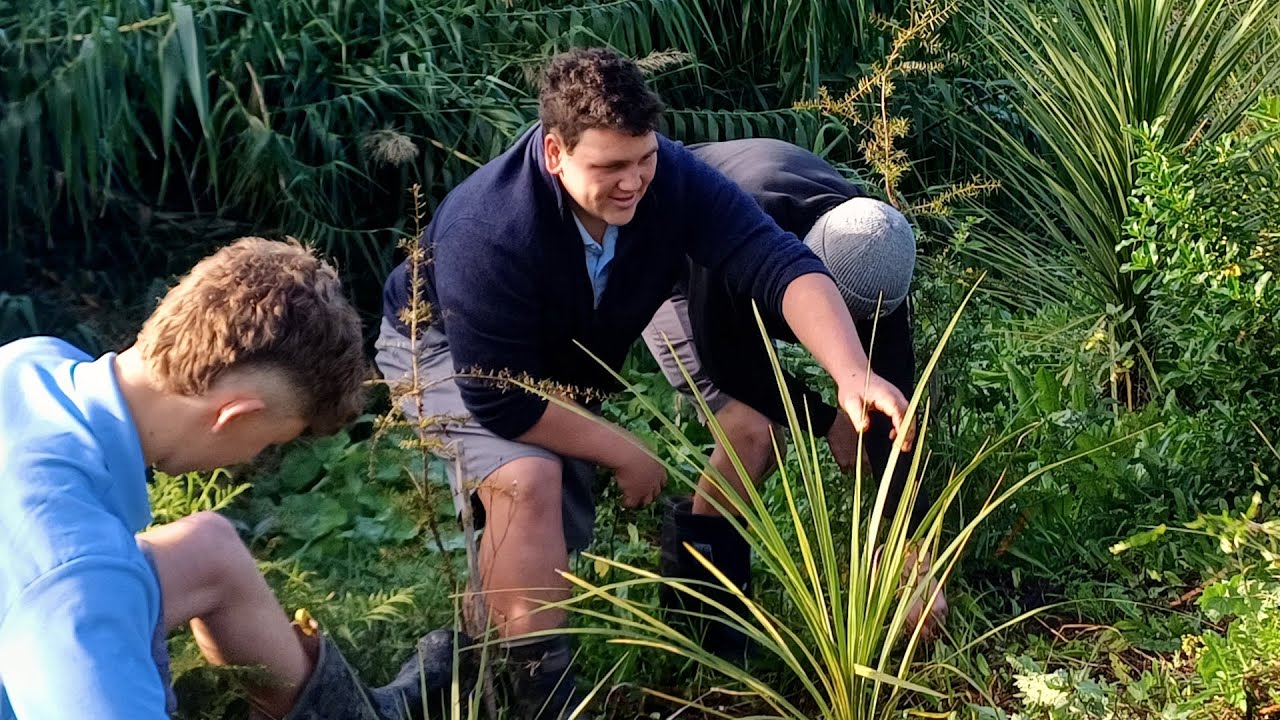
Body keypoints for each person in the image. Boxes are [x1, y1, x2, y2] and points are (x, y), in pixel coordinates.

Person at [374, 48, 913, 718]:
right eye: (608, 168)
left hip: (558, 356)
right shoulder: (489, 229)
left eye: (644, 159)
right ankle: (539, 703)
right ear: (553, 152)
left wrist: (851, 371)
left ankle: (469, 666)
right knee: (527, 484)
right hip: (445, 349)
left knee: (549, 539)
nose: (633, 183)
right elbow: (500, 398)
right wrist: (622, 449)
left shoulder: (671, 181)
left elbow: (777, 261)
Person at [0, 238, 465, 720]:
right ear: (235, 416)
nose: (251, 458)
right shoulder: (79, 577)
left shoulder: (30, 365)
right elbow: (74, 584)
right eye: (270, 442)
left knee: (208, 548)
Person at [640, 138, 947, 647]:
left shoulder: (879, 254)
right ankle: (702, 615)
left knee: (865, 431)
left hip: (759, 250)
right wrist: (827, 422)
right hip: (673, 265)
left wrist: (908, 545)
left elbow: (895, 417)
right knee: (754, 437)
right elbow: (730, 365)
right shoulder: (738, 234)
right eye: (838, 317)